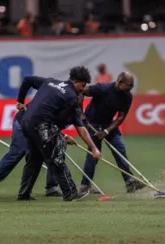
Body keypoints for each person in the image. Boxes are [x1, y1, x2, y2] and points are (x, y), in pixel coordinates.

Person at [15, 66, 101, 201]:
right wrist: (94, 148)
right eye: (82, 85)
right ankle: (70, 193)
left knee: (34, 160)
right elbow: (80, 128)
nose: (83, 90)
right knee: (57, 158)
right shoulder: (72, 97)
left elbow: (27, 80)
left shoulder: (50, 82)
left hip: (25, 121)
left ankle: (24, 194)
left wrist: (20, 100)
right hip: (42, 126)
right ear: (76, 82)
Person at [0, 103, 78, 198]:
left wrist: (62, 136)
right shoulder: (57, 102)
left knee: (52, 150)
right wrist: (64, 136)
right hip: (24, 121)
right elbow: (44, 121)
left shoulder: (66, 104)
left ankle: (51, 188)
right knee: (18, 152)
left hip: (39, 124)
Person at [80, 72, 146, 193]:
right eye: (129, 85)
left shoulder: (127, 96)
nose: (130, 89)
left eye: (132, 86)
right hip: (92, 123)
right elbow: (81, 91)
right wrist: (80, 113)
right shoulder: (102, 88)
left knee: (120, 150)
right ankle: (85, 186)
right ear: (120, 82)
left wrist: (106, 131)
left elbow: (121, 116)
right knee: (93, 154)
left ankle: (129, 182)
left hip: (108, 125)